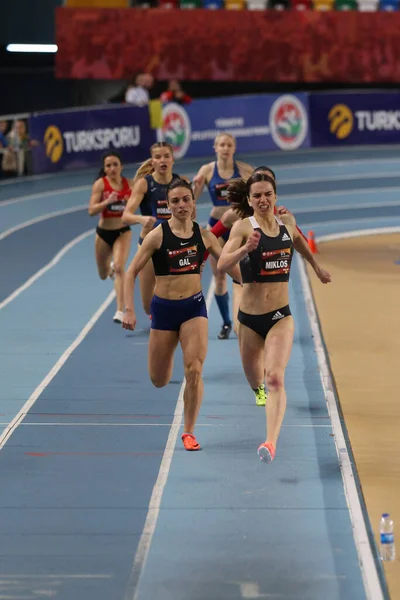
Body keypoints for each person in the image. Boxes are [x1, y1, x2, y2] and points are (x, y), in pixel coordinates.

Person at [218, 173, 331, 464]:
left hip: (281, 316)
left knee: (276, 378)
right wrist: (246, 249)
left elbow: (300, 242)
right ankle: (258, 391)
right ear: (249, 200)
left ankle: (270, 442)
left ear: (275, 195)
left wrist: (316, 267)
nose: (263, 200)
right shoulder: (243, 228)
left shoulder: (287, 223)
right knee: (256, 380)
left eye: (268, 194)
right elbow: (221, 263)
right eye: (257, 196)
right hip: (249, 320)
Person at [122, 179, 241, 451]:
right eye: (174, 201)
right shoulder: (158, 236)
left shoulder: (205, 235)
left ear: (193, 203)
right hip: (163, 311)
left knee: (195, 370)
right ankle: (168, 357)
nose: (181, 205)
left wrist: (250, 280)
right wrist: (129, 309)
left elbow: (227, 266)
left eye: (186, 199)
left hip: (194, 308)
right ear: (168, 205)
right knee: (159, 380)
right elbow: (131, 272)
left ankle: (188, 432)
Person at [193, 133, 253, 340]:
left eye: (229, 144)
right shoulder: (207, 170)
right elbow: (192, 200)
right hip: (216, 227)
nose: (225, 148)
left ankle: (248, 314)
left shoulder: (244, 170)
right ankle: (227, 322)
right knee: (219, 276)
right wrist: (196, 185)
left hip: (239, 228)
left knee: (244, 274)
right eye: (221, 145)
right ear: (215, 147)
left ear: (234, 148)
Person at [121, 142, 187, 316]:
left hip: (174, 244)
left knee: (172, 291)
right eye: (158, 157)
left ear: (172, 159)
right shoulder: (144, 184)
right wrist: (141, 219)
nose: (162, 160)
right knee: (147, 305)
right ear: (152, 162)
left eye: (166, 156)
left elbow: (190, 213)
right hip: (149, 244)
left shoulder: (180, 183)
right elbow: (126, 216)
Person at [88, 151, 132, 324]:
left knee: (121, 267)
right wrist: (107, 201)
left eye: (115, 164)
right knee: (103, 273)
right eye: (108, 165)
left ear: (121, 166)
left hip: (123, 231)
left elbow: (142, 201)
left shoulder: (130, 184)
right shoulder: (101, 184)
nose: (112, 168)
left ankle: (120, 310)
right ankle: (110, 270)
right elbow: (91, 210)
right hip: (104, 233)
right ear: (104, 169)